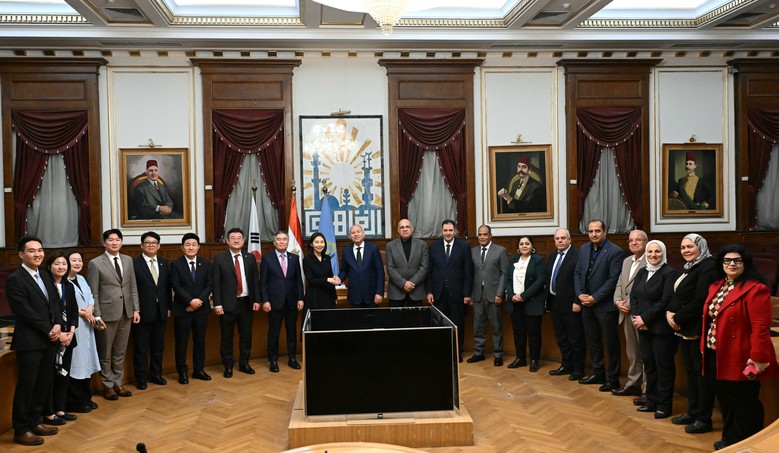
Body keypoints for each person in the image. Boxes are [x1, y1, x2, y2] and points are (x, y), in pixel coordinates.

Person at [702, 244, 778, 451]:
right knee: (725, 399)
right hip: (715, 352)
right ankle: (730, 439)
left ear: (745, 263)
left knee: (744, 402)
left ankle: (749, 443)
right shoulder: (717, 285)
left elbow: (761, 327)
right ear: (721, 263)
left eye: (737, 260)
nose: (732, 264)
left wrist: (758, 358)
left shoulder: (756, 289)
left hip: (741, 356)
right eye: (727, 260)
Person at [7, 236, 62, 446]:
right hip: (29, 342)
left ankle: (34, 421)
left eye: (40, 250)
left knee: (43, 383)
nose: (37, 254)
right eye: (32, 251)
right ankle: (21, 430)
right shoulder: (16, 279)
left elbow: (55, 302)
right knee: (27, 386)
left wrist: (58, 324)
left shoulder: (45, 275)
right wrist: (49, 329)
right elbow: (24, 311)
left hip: (49, 339)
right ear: (21, 254)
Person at [665, 233, 718, 434]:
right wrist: (669, 313)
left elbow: (700, 300)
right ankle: (692, 412)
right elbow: (677, 295)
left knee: (701, 375)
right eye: (683, 247)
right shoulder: (689, 267)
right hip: (684, 328)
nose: (686, 250)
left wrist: (677, 318)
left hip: (697, 328)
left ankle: (704, 418)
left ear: (700, 247)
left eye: (690, 247)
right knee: (690, 372)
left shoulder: (708, 266)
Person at [88, 228, 140, 401]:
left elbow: (132, 286)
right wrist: (97, 315)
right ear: (104, 243)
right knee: (105, 352)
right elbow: (94, 292)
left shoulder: (128, 260)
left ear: (121, 242)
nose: (114, 242)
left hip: (126, 312)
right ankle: (108, 385)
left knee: (120, 351)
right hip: (106, 314)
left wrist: (136, 309)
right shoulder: (95, 263)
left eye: (117, 240)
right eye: (110, 240)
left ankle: (118, 382)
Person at [573, 219, 625, 392]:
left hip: (605, 306)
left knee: (611, 343)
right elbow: (577, 273)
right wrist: (580, 294)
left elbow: (613, 279)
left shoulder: (615, 251)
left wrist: (595, 297)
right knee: (593, 341)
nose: (593, 234)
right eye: (590, 231)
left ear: (605, 232)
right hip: (586, 303)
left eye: (597, 231)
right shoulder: (584, 249)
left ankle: (613, 379)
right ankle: (598, 373)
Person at [630, 240, 678, 420]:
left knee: (663, 367)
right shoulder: (642, 271)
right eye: (650, 252)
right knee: (649, 366)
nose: (653, 255)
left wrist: (645, 318)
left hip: (661, 329)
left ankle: (664, 405)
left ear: (663, 253)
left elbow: (665, 301)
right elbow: (634, 296)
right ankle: (651, 401)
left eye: (657, 251)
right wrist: (637, 318)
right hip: (643, 328)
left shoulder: (669, 273)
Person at [213, 227, 261, 377]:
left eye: (239, 238)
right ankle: (228, 366)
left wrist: (257, 299)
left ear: (243, 240)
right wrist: (217, 304)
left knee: (246, 336)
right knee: (227, 337)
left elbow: (255, 281)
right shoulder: (220, 259)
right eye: (233, 238)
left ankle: (244, 363)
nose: (236, 240)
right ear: (227, 241)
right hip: (227, 305)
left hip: (246, 303)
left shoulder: (250, 257)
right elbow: (216, 283)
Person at [426, 219, 473, 362]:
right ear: (441, 231)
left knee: (458, 324)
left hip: (458, 293)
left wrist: (467, 294)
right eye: (445, 230)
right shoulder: (433, 247)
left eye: (450, 230)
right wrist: (429, 291)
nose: (448, 233)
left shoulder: (464, 247)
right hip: (438, 293)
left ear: (455, 231)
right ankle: (442, 352)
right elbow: (429, 271)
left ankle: (457, 352)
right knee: (439, 324)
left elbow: (468, 272)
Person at [170, 233, 214, 384]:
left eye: (194, 244)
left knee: (200, 341)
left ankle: (198, 370)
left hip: (201, 309)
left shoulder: (205, 263)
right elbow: (176, 286)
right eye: (187, 245)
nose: (191, 247)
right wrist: (190, 301)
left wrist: (198, 301)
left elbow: (210, 284)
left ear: (198, 247)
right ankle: (182, 372)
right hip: (183, 309)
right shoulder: (176, 264)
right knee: (181, 342)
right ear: (182, 247)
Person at [41, 252, 79, 427]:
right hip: (52, 336)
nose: (61, 267)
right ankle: (49, 411)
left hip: (68, 337)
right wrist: (60, 334)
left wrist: (71, 332)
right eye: (57, 263)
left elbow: (73, 310)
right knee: (50, 376)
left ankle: (60, 409)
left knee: (64, 374)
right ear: (49, 266)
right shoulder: (45, 285)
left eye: (64, 263)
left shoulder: (68, 286)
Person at [131, 231, 171, 390]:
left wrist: (168, 307)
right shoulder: (134, 263)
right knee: (140, 348)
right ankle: (141, 378)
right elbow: (131, 288)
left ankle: (156, 374)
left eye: (154, 243)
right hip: (141, 313)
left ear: (159, 245)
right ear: (141, 245)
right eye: (147, 243)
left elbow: (166, 287)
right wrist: (135, 309)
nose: (151, 245)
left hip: (161, 312)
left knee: (158, 347)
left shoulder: (163, 262)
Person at [261, 230, 305, 373]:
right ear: (274, 242)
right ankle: (273, 360)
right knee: (274, 332)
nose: (281, 241)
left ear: (288, 242)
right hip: (274, 302)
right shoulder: (267, 259)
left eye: (284, 239)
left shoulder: (294, 258)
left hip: (292, 301)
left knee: (291, 331)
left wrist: (300, 298)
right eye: (278, 239)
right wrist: (265, 300)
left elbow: (298, 280)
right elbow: (263, 282)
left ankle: (292, 358)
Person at [611, 230, 648, 398]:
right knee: (632, 352)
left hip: (641, 314)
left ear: (646, 242)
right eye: (631, 240)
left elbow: (647, 287)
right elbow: (620, 283)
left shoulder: (651, 259)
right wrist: (617, 301)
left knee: (645, 353)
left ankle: (647, 389)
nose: (634, 243)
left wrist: (630, 303)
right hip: (625, 313)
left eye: (638, 240)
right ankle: (633, 384)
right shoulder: (627, 261)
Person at [546, 228, 585, 381]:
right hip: (555, 302)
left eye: (563, 238)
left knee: (575, 339)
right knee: (561, 337)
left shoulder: (578, 255)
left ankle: (578, 369)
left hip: (571, 304)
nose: (560, 241)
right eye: (557, 238)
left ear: (569, 239)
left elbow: (581, 280)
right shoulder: (552, 256)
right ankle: (566, 364)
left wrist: (577, 301)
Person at [65, 250, 100, 414]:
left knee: (86, 361)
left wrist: (90, 309)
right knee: (75, 363)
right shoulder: (63, 282)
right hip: (74, 326)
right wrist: (83, 313)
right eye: (73, 260)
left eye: (79, 260)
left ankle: (86, 398)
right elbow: (66, 304)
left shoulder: (81, 279)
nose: (78, 263)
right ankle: (75, 401)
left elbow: (90, 297)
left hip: (87, 325)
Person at [505, 236, 547, 372]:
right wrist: (512, 295)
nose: (524, 246)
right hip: (515, 303)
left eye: (527, 243)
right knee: (518, 332)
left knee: (534, 333)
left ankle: (534, 360)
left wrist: (523, 296)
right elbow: (507, 279)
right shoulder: (513, 259)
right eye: (521, 244)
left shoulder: (538, 260)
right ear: (518, 247)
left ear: (532, 246)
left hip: (532, 302)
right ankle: (520, 358)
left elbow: (540, 281)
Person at [468, 225, 508, 366]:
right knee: (478, 326)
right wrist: (471, 294)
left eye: (485, 234)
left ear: (490, 235)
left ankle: (498, 355)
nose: (482, 237)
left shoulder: (500, 250)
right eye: (480, 234)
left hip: (494, 295)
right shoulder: (472, 251)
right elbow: (470, 274)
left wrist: (500, 293)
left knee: (496, 326)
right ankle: (478, 353)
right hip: (478, 295)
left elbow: (504, 273)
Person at [385, 219, 428, 307]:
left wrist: (411, 283)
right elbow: (390, 268)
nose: (405, 229)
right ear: (398, 230)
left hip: (416, 290)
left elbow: (424, 267)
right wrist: (403, 283)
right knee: (395, 316)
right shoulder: (390, 246)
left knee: (416, 316)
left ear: (412, 229)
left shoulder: (422, 245)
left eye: (407, 227)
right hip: (396, 291)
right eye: (402, 227)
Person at [338, 224, 385, 307]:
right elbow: (344, 270)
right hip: (354, 295)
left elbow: (380, 272)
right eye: (353, 233)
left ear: (363, 234)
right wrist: (339, 279)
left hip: (371, 295)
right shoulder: (346, 251)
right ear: (350, 236)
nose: (356, 234)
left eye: (358, 232)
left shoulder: (373, 248)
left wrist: (379, 292)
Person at [302, 232, 339, 316]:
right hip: (314, 296)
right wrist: (327, 279)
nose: (320, 245)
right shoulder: (307, 260)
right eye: (316, 242)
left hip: (328, 296)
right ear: (311, 244)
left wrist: (334, 296)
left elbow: (330, 276)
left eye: (322, 242)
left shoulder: (327, 258)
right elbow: (311, 281)